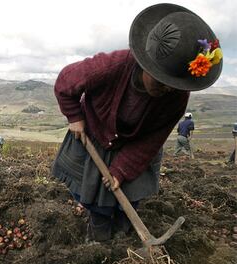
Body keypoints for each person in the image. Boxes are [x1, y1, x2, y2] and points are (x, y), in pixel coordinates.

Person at [51, 3, 222, 242]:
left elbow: (152, 140)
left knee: (129, 197)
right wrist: (74, 117)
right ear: (145, 64)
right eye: (161, 82)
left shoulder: (177, 97)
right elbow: (64, 82)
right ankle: (98, 239)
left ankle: (125, 237)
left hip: (138, 146)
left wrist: (121, 170)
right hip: (97, 135)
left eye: (175, 85)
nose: (168, 89)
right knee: (98, 200)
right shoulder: (111, 67)